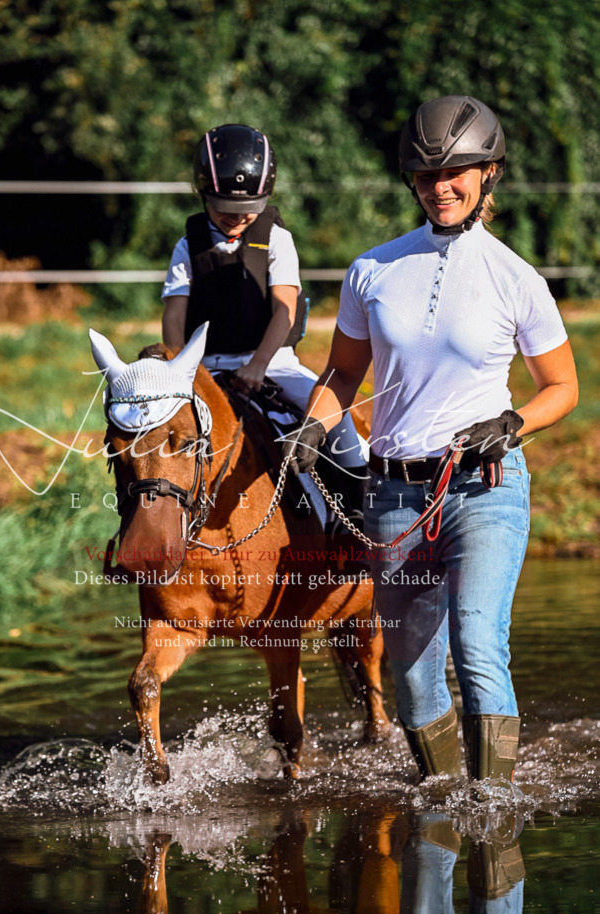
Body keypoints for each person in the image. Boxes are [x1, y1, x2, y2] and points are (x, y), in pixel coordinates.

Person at [285, 95, 578, 782]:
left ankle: (495, 818)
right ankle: (442, 806)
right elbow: (343, 375)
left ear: (489, 174)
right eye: (425, 177)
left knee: (477, 645)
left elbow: (562, 388)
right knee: (414, 677)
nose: (440, 188)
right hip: (393, 497)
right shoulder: (373, 271)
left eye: (456, 174)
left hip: (485, 490)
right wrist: (314, 426)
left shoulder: (517, 279)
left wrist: (514, 424)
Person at [161, 121, 369, 491]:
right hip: (204, 368)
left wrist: (258, 365)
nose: (237, 217)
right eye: (225, 207)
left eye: (247, 210)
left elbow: (284, 310)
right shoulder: (186, 245)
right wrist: (180, 369)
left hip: (273, 364)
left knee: (334, 413)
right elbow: (175, 313)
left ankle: (359, 493)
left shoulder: (277, 239)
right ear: (203, 193)